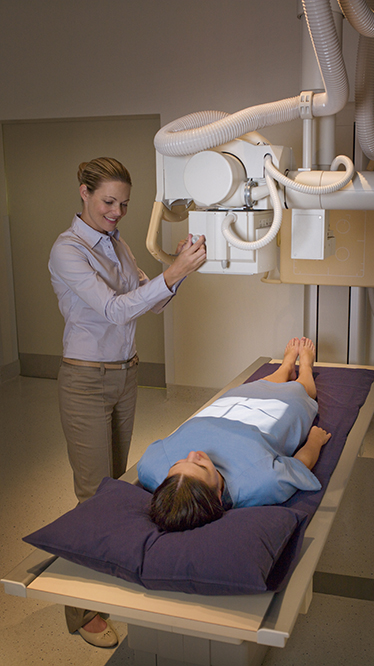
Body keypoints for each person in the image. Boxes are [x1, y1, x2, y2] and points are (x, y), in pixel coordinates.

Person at [48, 157, 206, 647]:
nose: (117, 212)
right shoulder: (67, 250)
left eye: (123, 205)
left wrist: (176, 272)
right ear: (84, 193)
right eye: (108, 202)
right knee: (93, 497)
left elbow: (149, 299)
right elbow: (117, 310)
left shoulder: (117, 245)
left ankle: (105, 583)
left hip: (124, 375)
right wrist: (171, 272)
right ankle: (81, 612)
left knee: (116, 491)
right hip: (84, 380)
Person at [138, 337, 331, 533]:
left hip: (224, 410)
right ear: (219, 496)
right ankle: (305, 368)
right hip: (270, 418)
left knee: (253, 388)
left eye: (178, 463)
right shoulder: (258, 482)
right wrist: (315, 441)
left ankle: (285, 367)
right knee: (299, 393)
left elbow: (150, 464)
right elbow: (298, 467)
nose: (193, 454)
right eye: (200, 466)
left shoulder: (151, 468)